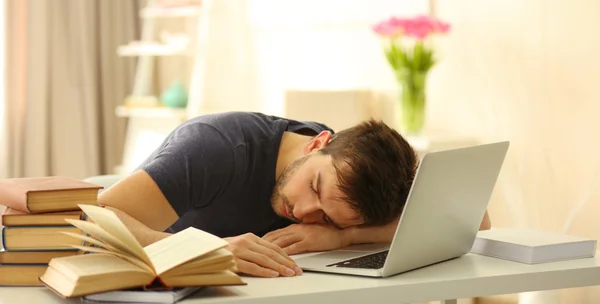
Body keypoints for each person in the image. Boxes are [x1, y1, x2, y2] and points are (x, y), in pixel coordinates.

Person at [98, 111, 490, 278]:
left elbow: (475, 219)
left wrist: (344, 236)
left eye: (326, 216)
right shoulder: (213, 148)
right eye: (315, 188)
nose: (302, 212)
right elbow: (95, 217)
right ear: (317, 142)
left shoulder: (354, 175)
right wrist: (201, 248)